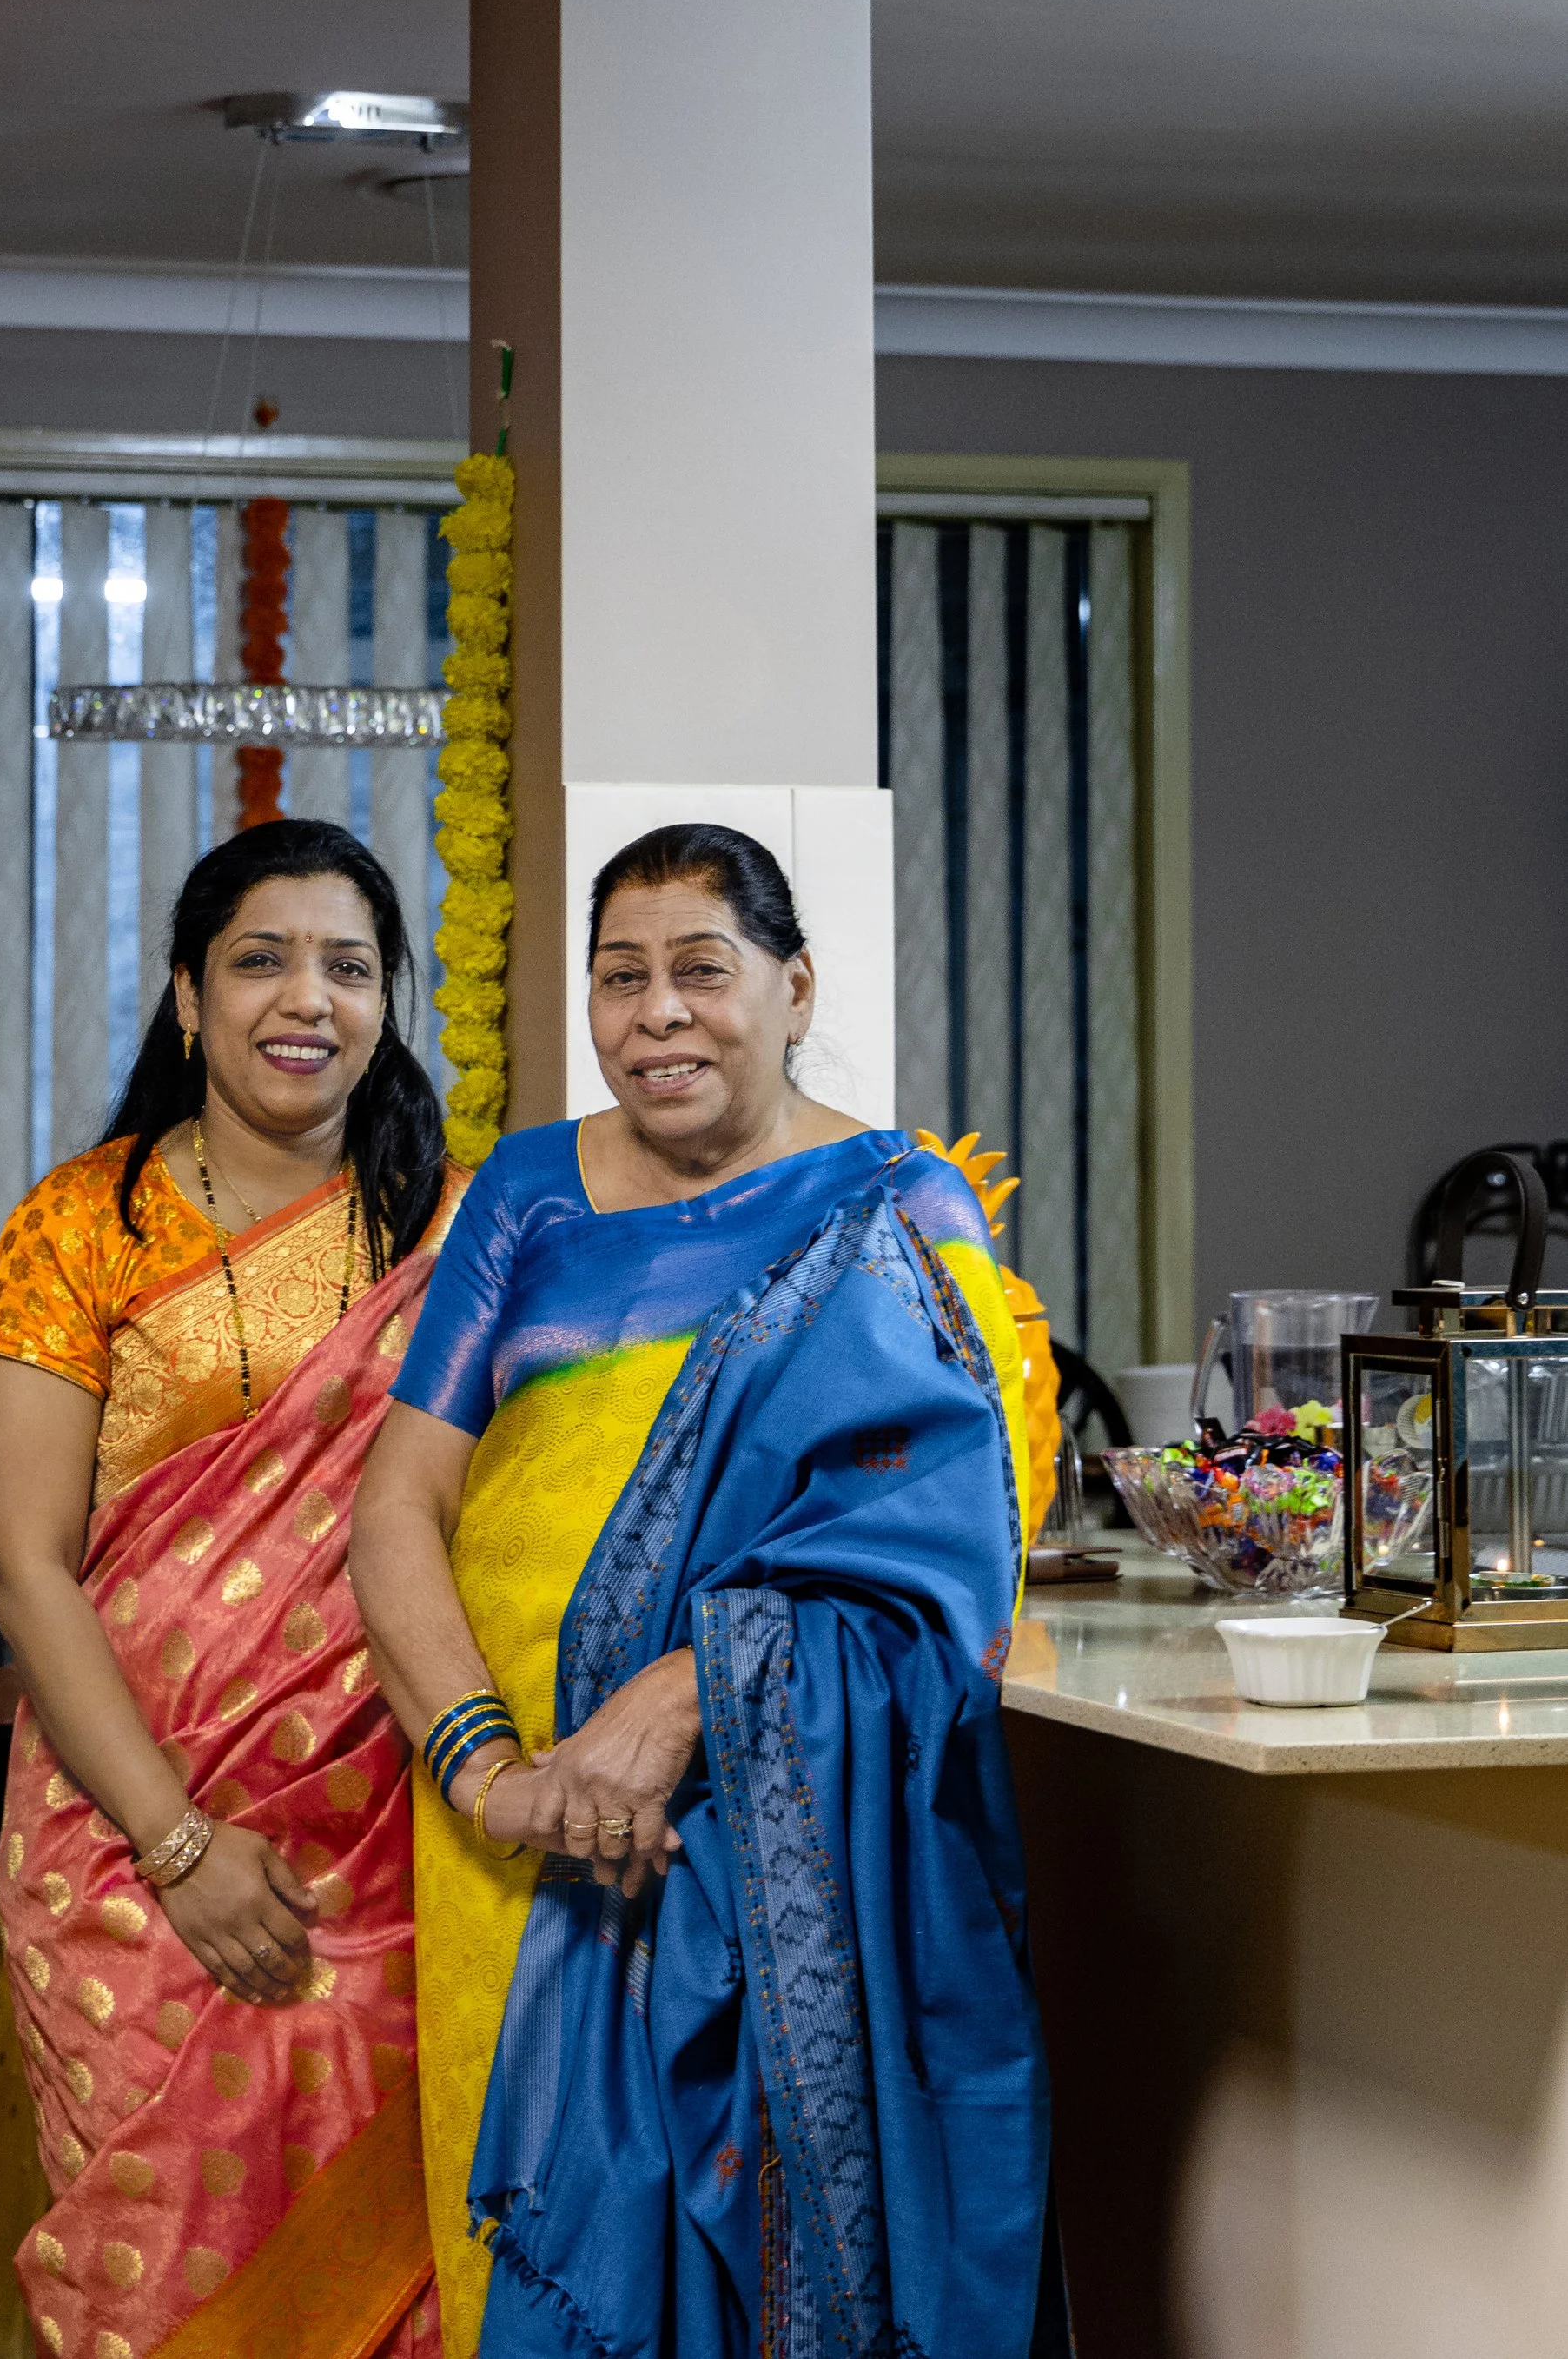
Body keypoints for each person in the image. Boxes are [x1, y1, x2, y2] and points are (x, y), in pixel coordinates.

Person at [349, 823, 1065, 2359]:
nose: (657, 1015)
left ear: (794, 987)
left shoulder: (900, 1207)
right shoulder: (530, 1192)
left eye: (701, 971)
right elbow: (398, 1500)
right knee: (529, 2248)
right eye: (621, 980)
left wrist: (692, 1696)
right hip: (517, 1836)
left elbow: (961, 1561)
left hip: (790, 1816)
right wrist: (487, 1768)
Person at [0, 818, 465, 2359]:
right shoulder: (80, 1229)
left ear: (387, 1005)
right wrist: (177, 1846)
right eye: (261, 960)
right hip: (124, 1845)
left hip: (385, 1847)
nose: (304, 998)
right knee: (163, 2276)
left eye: (348, 965)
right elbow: (15, 1558)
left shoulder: (460, 1229)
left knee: (386, 2277)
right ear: (189, 997)